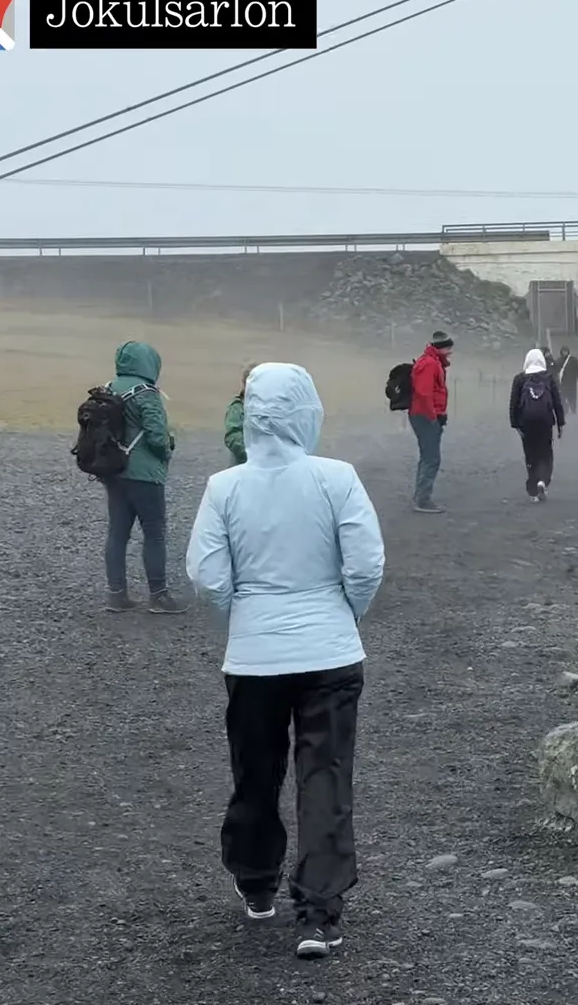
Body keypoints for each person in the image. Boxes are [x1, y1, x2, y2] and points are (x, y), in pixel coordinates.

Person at [185, 362, 385, 961]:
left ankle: (255, 883)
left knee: (255, 770)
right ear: (306, 410)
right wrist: (344, 612)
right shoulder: (337, 478)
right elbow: (366, 563)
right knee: (324, 774)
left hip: (253, 655)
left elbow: (206, 576)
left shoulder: (226, 487)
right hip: (330, 651)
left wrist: (242, 617)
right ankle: (319, 914)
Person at [102, 340, 186, 614]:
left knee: (117, 532)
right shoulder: (146, 393)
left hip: (114, 471)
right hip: (145, 475)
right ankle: (159, 596)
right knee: (154, 533)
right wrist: (168, 449)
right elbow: (157, 437)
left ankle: (117, 594)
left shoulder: (108, 388)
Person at [509, 348, 566, 502]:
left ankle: (533, 489)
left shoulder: (519, 379)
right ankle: (543, 480)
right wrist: (560, 423)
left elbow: (513, 403)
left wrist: (515, 424)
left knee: (531, 453)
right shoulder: (549, 377)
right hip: (545, 420)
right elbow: (557, 402)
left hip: (526, 422)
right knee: (546, 452)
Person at [407, 331, 452, 513]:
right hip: (425, 416)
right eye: (448, 348)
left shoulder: (432, 362)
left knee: (428, 456)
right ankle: (422, 500)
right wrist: (433, 417)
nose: (450, 352)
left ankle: (420, 496)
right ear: (440, 349)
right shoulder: (429, 364)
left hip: (425, 415)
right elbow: (423, 393)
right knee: (431, 458)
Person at [224, 362, 258, 466]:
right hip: (244, 465)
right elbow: (233, 437)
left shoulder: (271, 406)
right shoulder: (237, 407)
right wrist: (254, 455)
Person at [554, 346, 578, 411]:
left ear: (568, 352)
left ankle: (573, 408)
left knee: (572, 396)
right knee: (563, 396)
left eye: (565, 351)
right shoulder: (559, 360)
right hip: (563, 382)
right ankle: (565, 408)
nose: (564, 353)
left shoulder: (573, 360)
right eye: (563, 351)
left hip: (572, 382)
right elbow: (555, 371)